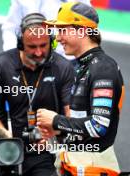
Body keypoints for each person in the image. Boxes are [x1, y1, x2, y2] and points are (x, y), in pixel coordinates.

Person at [0, 13, 75, 176]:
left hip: (46, 153)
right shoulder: (1, 65)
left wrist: (56, 132)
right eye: (32, 47)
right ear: (20, 44)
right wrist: (5, 135)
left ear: (51, 42)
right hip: (10, 152)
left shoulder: (63, 68)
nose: (38, 52)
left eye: (43, 46)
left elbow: (72, 113)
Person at [37, 2, 125, 174]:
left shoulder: (102, 69)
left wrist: (55, 120)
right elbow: (83, 125)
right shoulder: (82, 66)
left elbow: (99, 126)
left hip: (94, 166)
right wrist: (58, 133)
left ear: (82, 30)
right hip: (79, 164)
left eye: (62, 30)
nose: (58, 37)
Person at [1, 0, 91, 60]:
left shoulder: (81, 2)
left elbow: (87, 34)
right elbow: (11, 28)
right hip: (28, 60)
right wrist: (13, 57)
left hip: (67, 61)